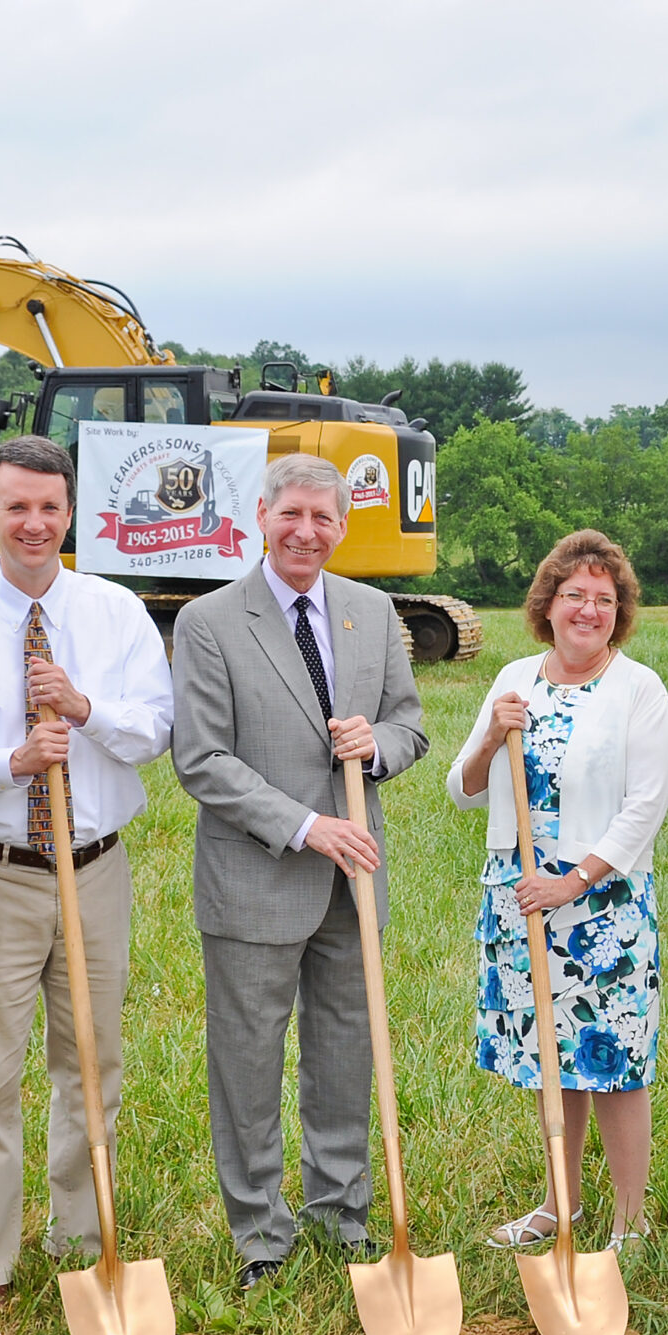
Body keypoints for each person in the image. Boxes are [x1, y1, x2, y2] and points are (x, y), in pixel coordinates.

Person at [0, 436, 174, 1315]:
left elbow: (156, 729)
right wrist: (14, 759)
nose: (34, 523)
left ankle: (82, 1248)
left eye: (50, 507)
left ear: (72, 514)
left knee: (91, 1064)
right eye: (17, 506)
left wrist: (82, 707)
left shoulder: (115, 613)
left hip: (95, 868)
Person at [172, 454, 428, 1291]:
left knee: (346, 1048)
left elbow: (408, 725)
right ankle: (260, 1234)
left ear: (343, 526)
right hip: (258, 877)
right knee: (247, 1058)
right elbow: (202, 759)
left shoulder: (372, 608)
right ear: (262, 515)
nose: (306, 532)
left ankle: (341, 1212)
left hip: (352, 883)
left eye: (323, 518)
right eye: (292, 515)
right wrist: (307, 825)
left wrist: (378, 747)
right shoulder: (211, 621)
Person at [451, 530, 668, 1252]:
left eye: (605, 600)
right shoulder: (516, 678)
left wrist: (573, 881)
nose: (589, 609)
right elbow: (462, 789)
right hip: (521, 897)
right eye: (575, 595)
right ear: (547, 604)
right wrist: (492, 735)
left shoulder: (638, 688)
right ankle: (560, 1204)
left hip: (600, 906)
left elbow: (645, 808)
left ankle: (630, 1221)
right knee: (556, 1059)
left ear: (620, 612)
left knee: (611, 1061)